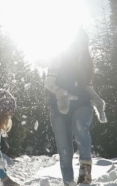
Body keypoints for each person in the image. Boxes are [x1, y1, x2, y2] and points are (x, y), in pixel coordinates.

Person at [45, 27, 106, 186]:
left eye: (84, 43)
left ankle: (85, 178)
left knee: (80, 128)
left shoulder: (87, 62)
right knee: (65, 151)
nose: (81, 46)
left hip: (82, 104)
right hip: (59, 107)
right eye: (78, 42)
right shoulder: (59, 57)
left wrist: (96, 97)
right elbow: (48, 82)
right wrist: (60, 92)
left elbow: (87, 86)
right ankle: (69, 182)